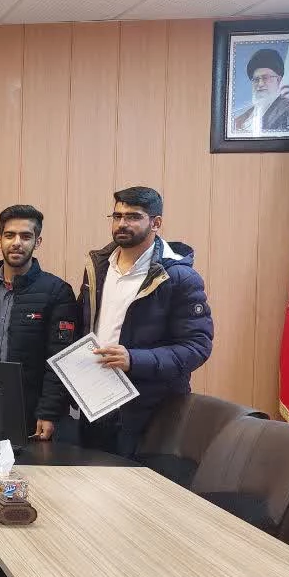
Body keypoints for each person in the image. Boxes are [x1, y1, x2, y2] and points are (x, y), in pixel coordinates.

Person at [78, 186, 213, 458]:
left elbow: (197, 347)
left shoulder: (179, 277)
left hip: (149, 412)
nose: (122, 224)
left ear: (156, 223)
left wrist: (134, 359)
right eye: (117, 216)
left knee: (137, 484)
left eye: (133, 217)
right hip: (95, 402)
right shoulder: (98, 267)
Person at [0, 205, 76, 440]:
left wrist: (48, 411)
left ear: (37, 242)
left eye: (26, 236)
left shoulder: (57, 291)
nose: (17, 242)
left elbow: (61, 357)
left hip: (30, 412)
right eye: (10, 235)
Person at [232, 48, 289, 134]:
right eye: (256, 79)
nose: (260, 84)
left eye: (265, 78)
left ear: (279, 80)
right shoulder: (240, 120)